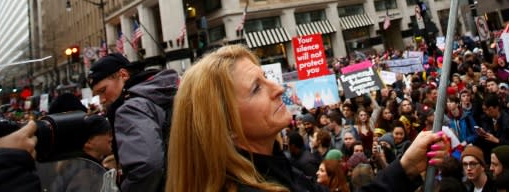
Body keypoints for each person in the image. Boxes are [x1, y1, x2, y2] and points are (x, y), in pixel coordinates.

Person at [165, 44, 450, 192]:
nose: (278, 89)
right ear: (223, 124)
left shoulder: (278, 168)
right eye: (256, 88)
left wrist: (405, 167)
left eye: (266, 78)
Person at [88, 53, 178, 192]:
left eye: (103, 91)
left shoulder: (130, 108)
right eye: (97, 95)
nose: (102, 100)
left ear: (123, 75)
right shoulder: (168, 91)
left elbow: (146, 166)